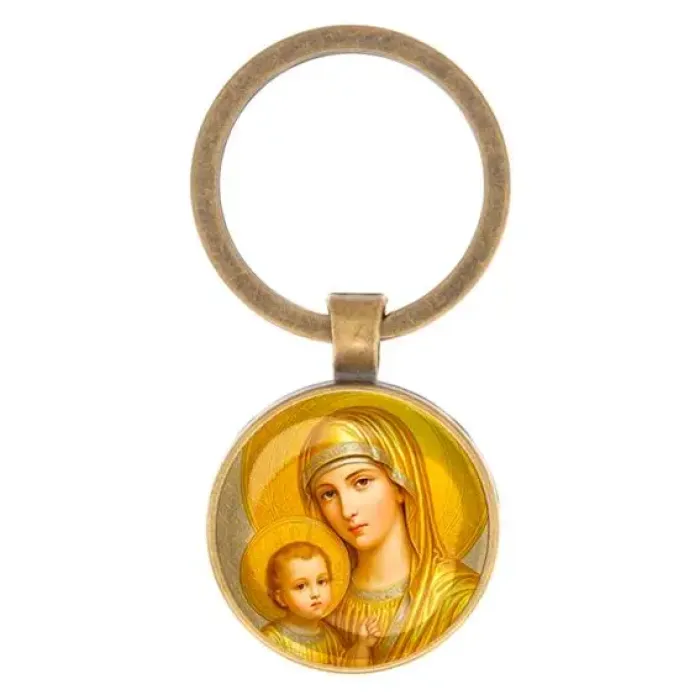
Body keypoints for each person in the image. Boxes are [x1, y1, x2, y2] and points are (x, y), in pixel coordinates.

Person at [299, 406, 480, 664]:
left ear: (400, 486)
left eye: (362, 482)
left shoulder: (456, 598)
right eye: (328, 494)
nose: (347, 510)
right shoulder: (321, 604)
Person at [261, 541, 380, 666]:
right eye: (301, 586)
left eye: (321, 582)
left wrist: (362, 645)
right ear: (281, 598)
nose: (315, 593)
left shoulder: (330, 636)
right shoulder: (272, 639)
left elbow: (344, 668)